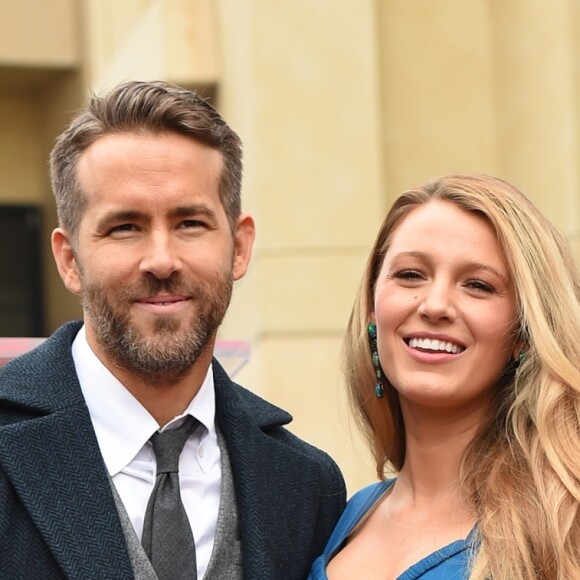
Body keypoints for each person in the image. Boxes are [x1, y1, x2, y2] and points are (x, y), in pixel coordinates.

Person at [0, 80, 346, 580]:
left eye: (190, 223)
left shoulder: (307, 485)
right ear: (70, 259)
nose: (161, 260)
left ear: (240, 246)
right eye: (125, 227)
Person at [309, 174, 580, 579]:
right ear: (371, 305)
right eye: (411, 275)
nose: (435, 305)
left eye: (478, 285)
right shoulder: (346, 516)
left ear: (523, 333)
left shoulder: (565, 523)